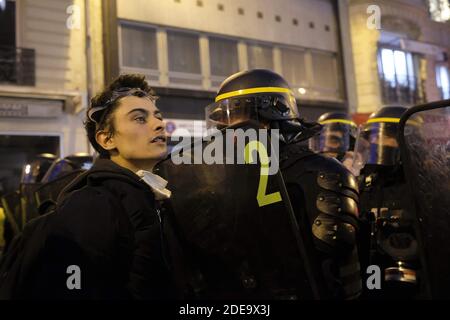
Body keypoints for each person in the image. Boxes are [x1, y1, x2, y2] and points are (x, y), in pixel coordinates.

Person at [163, 69, 362, 300]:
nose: (226, 130)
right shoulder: (216, 180)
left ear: (271, 117)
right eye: (223, 121)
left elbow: (341, 278)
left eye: (235, 117)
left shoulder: (322, 173)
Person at [7, 74, 176, 299]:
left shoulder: (151, 194)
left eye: (158, 116)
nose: (159, 124)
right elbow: (71, 289)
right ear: (107, 140)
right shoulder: (91, 204)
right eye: (139, 119)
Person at [353, 106, 420, 299]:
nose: (374, 142)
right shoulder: (366, 185)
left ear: (408, 141)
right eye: (371, 137)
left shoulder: (423, 185)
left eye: (382, 136)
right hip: (372, 279)